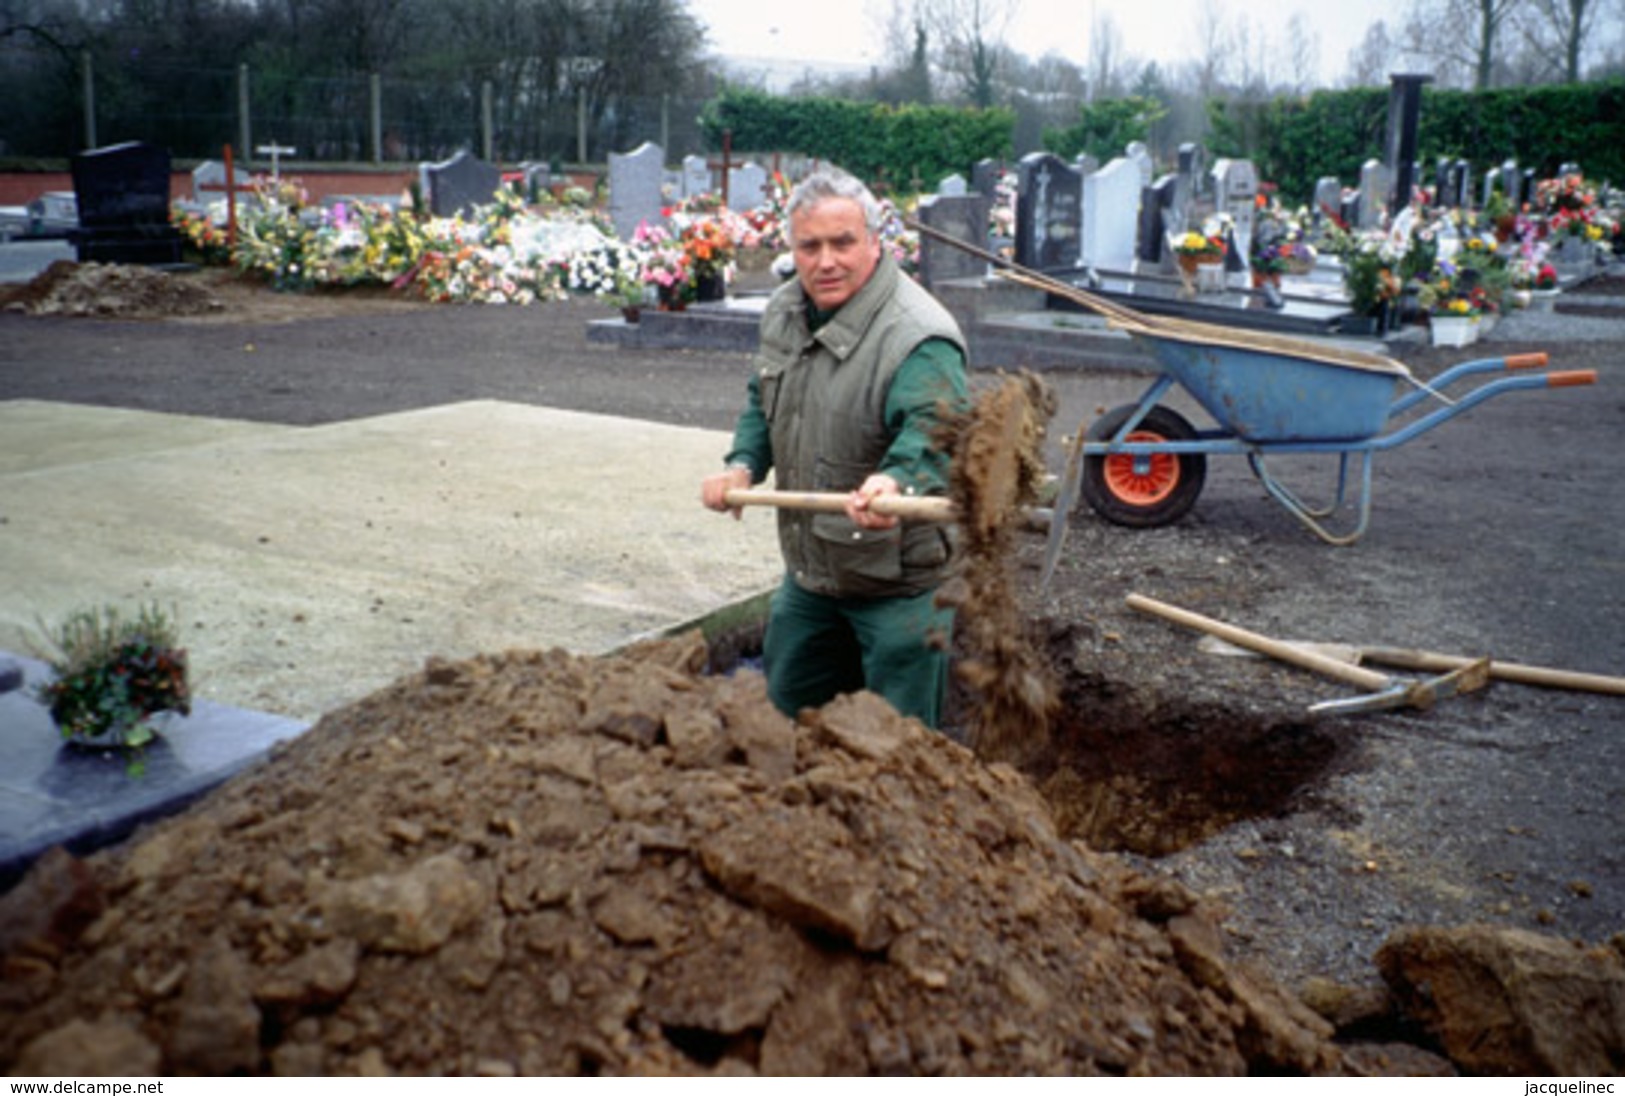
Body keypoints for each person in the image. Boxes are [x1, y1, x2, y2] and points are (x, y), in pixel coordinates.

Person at [700, 167, 969, 729]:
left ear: (875, 241)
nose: (826, 261)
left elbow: (935, 432)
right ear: (791, 249)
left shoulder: (918, 336)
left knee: (900, 745)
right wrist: (742, 465)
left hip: (899, 587)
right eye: (810, 246)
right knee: (788, 716)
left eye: (843, 243)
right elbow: (762, 399)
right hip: (813, 575)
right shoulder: (783, 312)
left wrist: (894, 482)